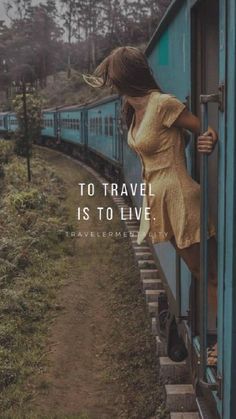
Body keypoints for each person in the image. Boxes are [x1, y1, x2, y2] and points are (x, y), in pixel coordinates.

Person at [82, 46, 218, 340]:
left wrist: (209, 140)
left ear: (126, 77)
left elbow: (203, 128)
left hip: (180, 197)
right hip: (161, 201)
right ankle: (212, 336)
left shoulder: (162, 104)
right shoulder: (135, 110)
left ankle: (219, 343)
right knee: (200, 272)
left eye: (113, 79)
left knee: (207, 275)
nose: (113, 86)